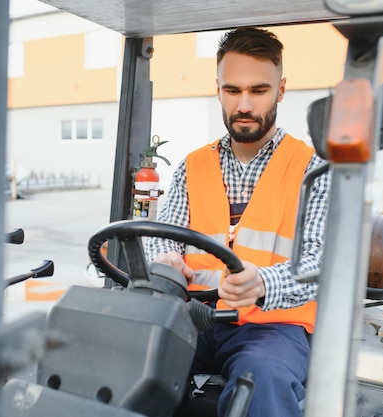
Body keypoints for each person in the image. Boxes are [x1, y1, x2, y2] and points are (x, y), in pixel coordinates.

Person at [144, 27, 330, 417]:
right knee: (127, 355)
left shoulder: (313, 170)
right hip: (194, 317)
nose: (244, 104)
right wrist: (167, 260)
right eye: (233, 91)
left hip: (271, 328)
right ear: (217, 90)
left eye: (258, 91)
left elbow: (319, 261)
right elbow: (166, 238)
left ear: (280, 91)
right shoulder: (191, 167)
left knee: (262, 378)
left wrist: (264, 281)